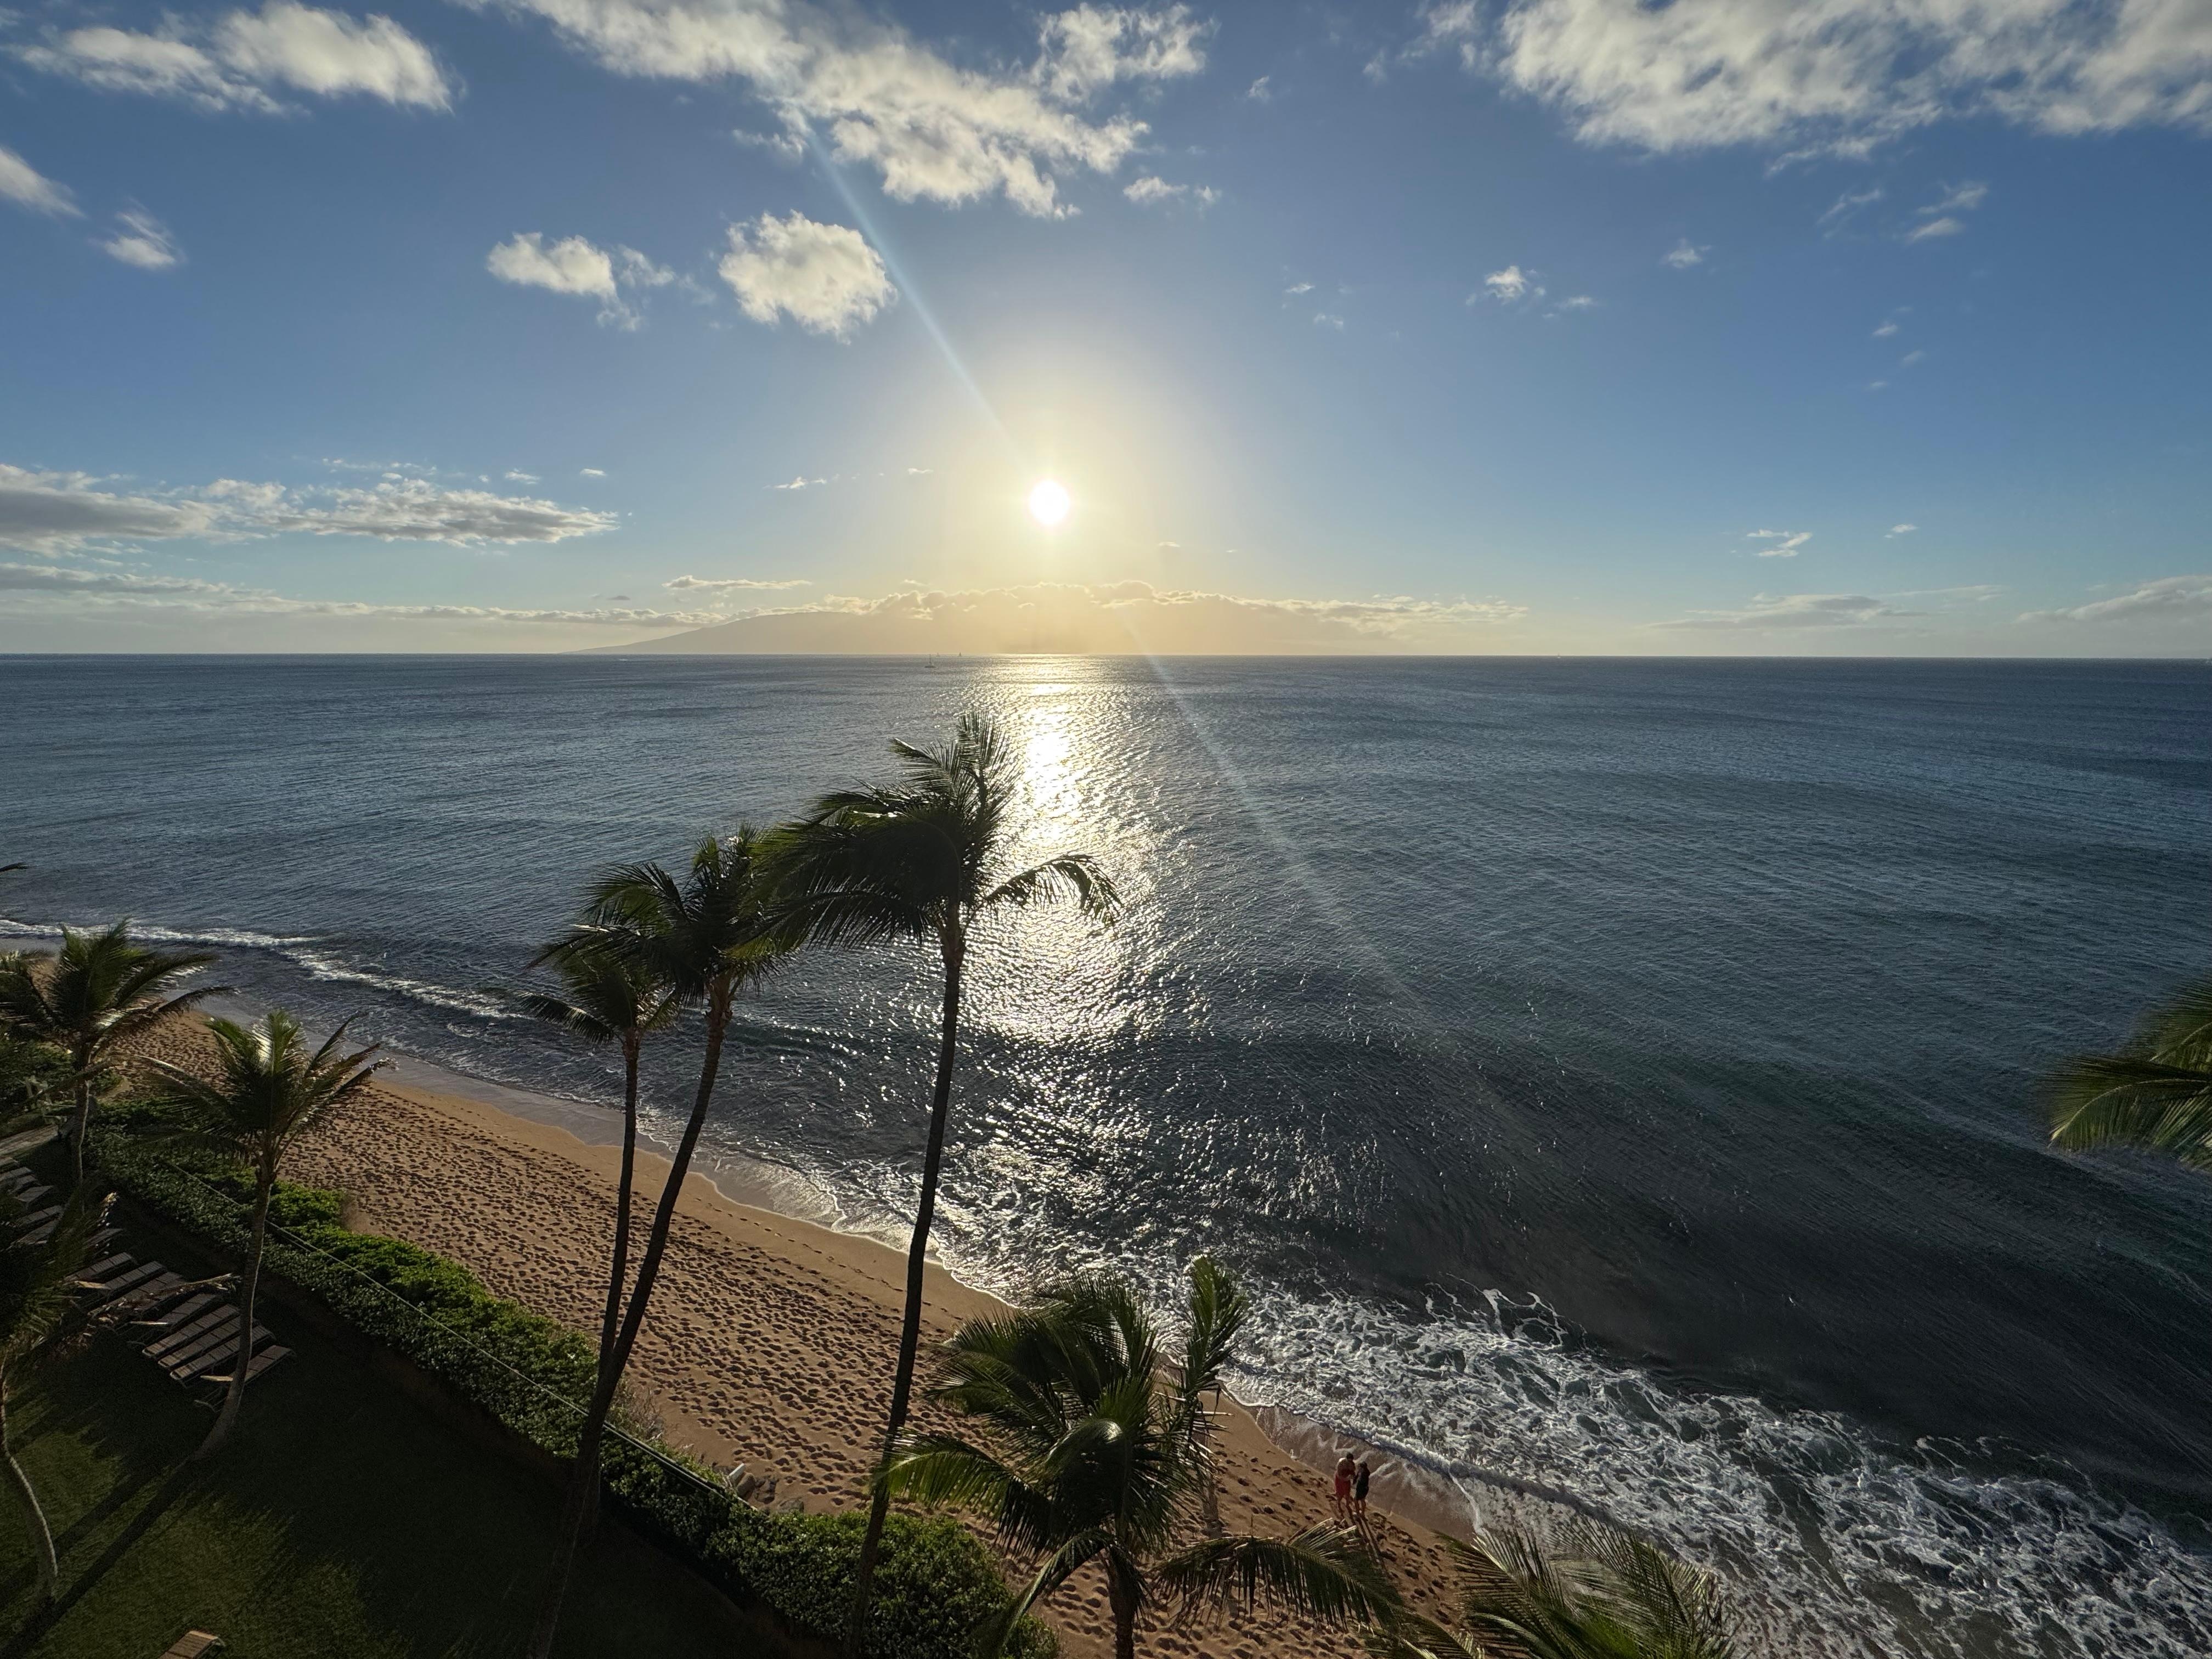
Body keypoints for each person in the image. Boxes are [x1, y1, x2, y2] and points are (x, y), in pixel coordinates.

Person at [1333, 1453, 1355, 1521]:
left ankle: (1347, 1504)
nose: (1350, 1462)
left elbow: (1353, 1472)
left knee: (1347, 1493)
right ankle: (1339, 1503)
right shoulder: (1343, 1463)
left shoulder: (1350, 1464)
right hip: (1342, 1479)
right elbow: (1340, 1472)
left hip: (1344, 1479)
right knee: (1342, 1493)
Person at [1353, 1458, 1372, 1526]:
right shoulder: (1365, 1472)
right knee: (1363, 1500)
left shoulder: (1364, 1475)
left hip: (1361, 1489)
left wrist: (1357, 1487)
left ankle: (1358, 1514)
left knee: (1356, 1500)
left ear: (1362, 1468)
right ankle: (1363, 1513)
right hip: (1366, 1489)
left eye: (1360, 1467)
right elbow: (1357, 1476)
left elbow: (1361, 1482)